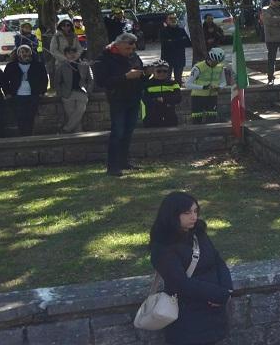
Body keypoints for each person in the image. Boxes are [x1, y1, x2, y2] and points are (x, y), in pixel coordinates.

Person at [148, 192, 233, 345]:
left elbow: (217, 260)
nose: (194, 217)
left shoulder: (198, 233)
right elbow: (180, 283)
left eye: (195, 211)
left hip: (214, 313)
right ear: (173, 215)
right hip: (187, 317)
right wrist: (217, 294)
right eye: (187, 213)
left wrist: (226, 289)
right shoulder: (162, 247)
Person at [93, 33, 146, 176]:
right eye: (128, 49)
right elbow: (102, 82)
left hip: (134, 97)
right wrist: (125, 77)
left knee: (128, 132)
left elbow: (140, 71)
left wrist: (145, 73)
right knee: (118, 132)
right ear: (118, 45)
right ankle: (113, 167)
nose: (130, 52)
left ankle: (124, 162)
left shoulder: (133, 56)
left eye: (133, 49)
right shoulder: (104, 58)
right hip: (118, 99)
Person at [2, 45, 47, 136]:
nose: (24, 54)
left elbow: (44, 79)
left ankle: (29, 136)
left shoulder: (38, 65)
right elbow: (5, 81)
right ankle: (22, 136)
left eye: (26, 51)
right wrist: (7, 93)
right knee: (20, 117)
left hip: (33, 95)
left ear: (30, 53)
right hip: (17, 96)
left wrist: (42, 92)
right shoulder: (11, 66)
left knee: (30, 117)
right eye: (22, 52)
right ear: (18, 54)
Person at [185, 49, 234, 124]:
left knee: (212, 120)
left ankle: (211, 135)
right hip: (198, 97)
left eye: (217, 62)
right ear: (209, 58)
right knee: (197, 120)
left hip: (212, 96)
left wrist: (220, 87)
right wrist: (203, 87)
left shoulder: (220, 67)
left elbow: (223, 82)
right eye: (214, 62)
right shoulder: (198, 67)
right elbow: (187, 84)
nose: (215, 64)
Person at [52, 46, 92, 133]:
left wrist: (88, 90)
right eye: (69, 53)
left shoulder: (84, 65)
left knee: (80, 111)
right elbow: (57, 82)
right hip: (67, 94)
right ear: (65, 55)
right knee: (72, 115)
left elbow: (90, 79)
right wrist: (61, 93)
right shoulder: (61, 67)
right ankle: (79, 134)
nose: (72, 55)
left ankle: (65, 129)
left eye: (74, 52)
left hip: (82, 92)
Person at [143, 62, 182, 128]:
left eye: (165, 71)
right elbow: (146, 100)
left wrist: (164, 99)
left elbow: (178, 98)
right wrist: (157, 100)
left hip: (170, 118)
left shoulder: (173, 83)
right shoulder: (147, 84)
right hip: (151, 119)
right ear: (153, 71)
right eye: (158, 71)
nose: (162, 73)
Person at [159, 14, 190, 84]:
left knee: (178, 80)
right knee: (166, 80)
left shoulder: (181, 30)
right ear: (166, 21)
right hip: (167, 58)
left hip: (179, 57)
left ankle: (178, 93)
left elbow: (188, 43)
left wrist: (172, 41)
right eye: (171, 18)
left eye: (175, 18)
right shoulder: (163, 31)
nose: (173, 20)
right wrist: (180, 40)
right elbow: (165, 44)